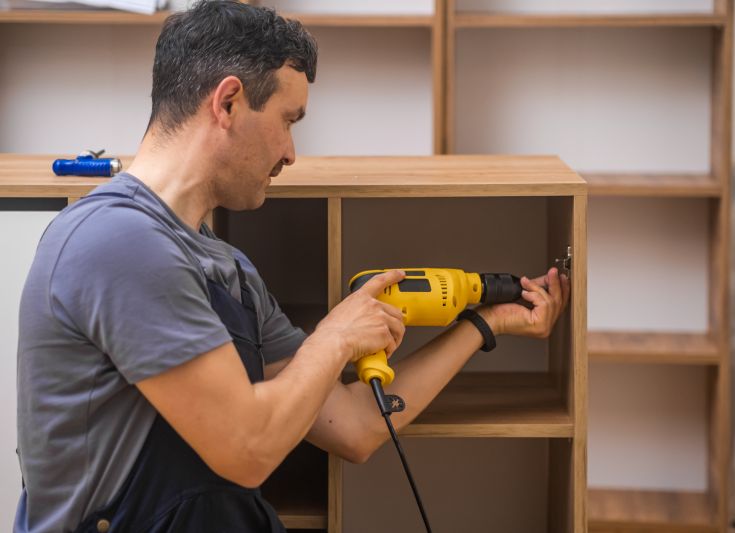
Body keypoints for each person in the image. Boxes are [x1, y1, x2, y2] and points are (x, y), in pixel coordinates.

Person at [14, 1, 570, 531]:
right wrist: (333, 340)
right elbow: (246, 450)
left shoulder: (229, 271)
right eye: (288, 120)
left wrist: (484, 325)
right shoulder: (117, 241)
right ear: (227, 102)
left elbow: (355, 427)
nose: (291, 152)